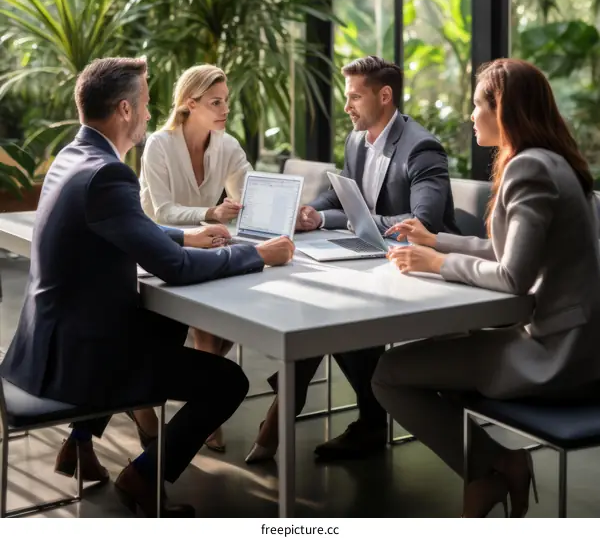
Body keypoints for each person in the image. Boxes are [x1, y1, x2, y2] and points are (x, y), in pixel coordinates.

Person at [0, 57, 294, 517]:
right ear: (123, 110)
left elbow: (130, 228)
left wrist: (184, 233)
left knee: (162, 320)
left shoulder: (74, 156)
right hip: (81, 363)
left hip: (44, 346)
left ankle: (80, 442)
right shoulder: (107, 173)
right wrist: (256, 254)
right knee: (228, 381)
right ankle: (144, 476)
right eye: (145, 103)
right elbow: (175, 268)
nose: (151, 112)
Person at [372, 58, 600, 517]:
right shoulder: (552, 162)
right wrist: (435, 239)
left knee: (388, 375)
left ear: (505, 109)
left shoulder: (529, 169)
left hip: (555, 358)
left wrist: (437, 263)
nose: (470, 115)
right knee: (441, 347)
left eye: (477, 105)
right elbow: (508, 250)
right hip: (575, 346)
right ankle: (493, 465)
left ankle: (493, 466)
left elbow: (513, 277)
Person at [246, 54, 459, 464]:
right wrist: (314, 212)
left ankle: (296, 404)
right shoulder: (356, 140)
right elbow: (342, 194)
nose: (346, 107)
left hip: (421, 268)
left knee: (330, 317)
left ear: (385, 95)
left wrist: (349, 219)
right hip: (372, 259)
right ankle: (360, 419)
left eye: (355, 98)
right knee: (320, 307)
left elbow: (423, 222)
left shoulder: (422, 147)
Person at [139, 64, 250, 452]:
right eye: (215, 102)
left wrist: (289, 211)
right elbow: (164, 212)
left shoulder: (227, 145)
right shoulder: (159, 144)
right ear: (190, 103)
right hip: (158, 248)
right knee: (206, 326)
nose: (224, 110)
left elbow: (248, 195)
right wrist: (211, 213)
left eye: (226, 102)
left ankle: (200, 410)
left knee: (220, 321)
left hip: (206, 243)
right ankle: (205, 414)